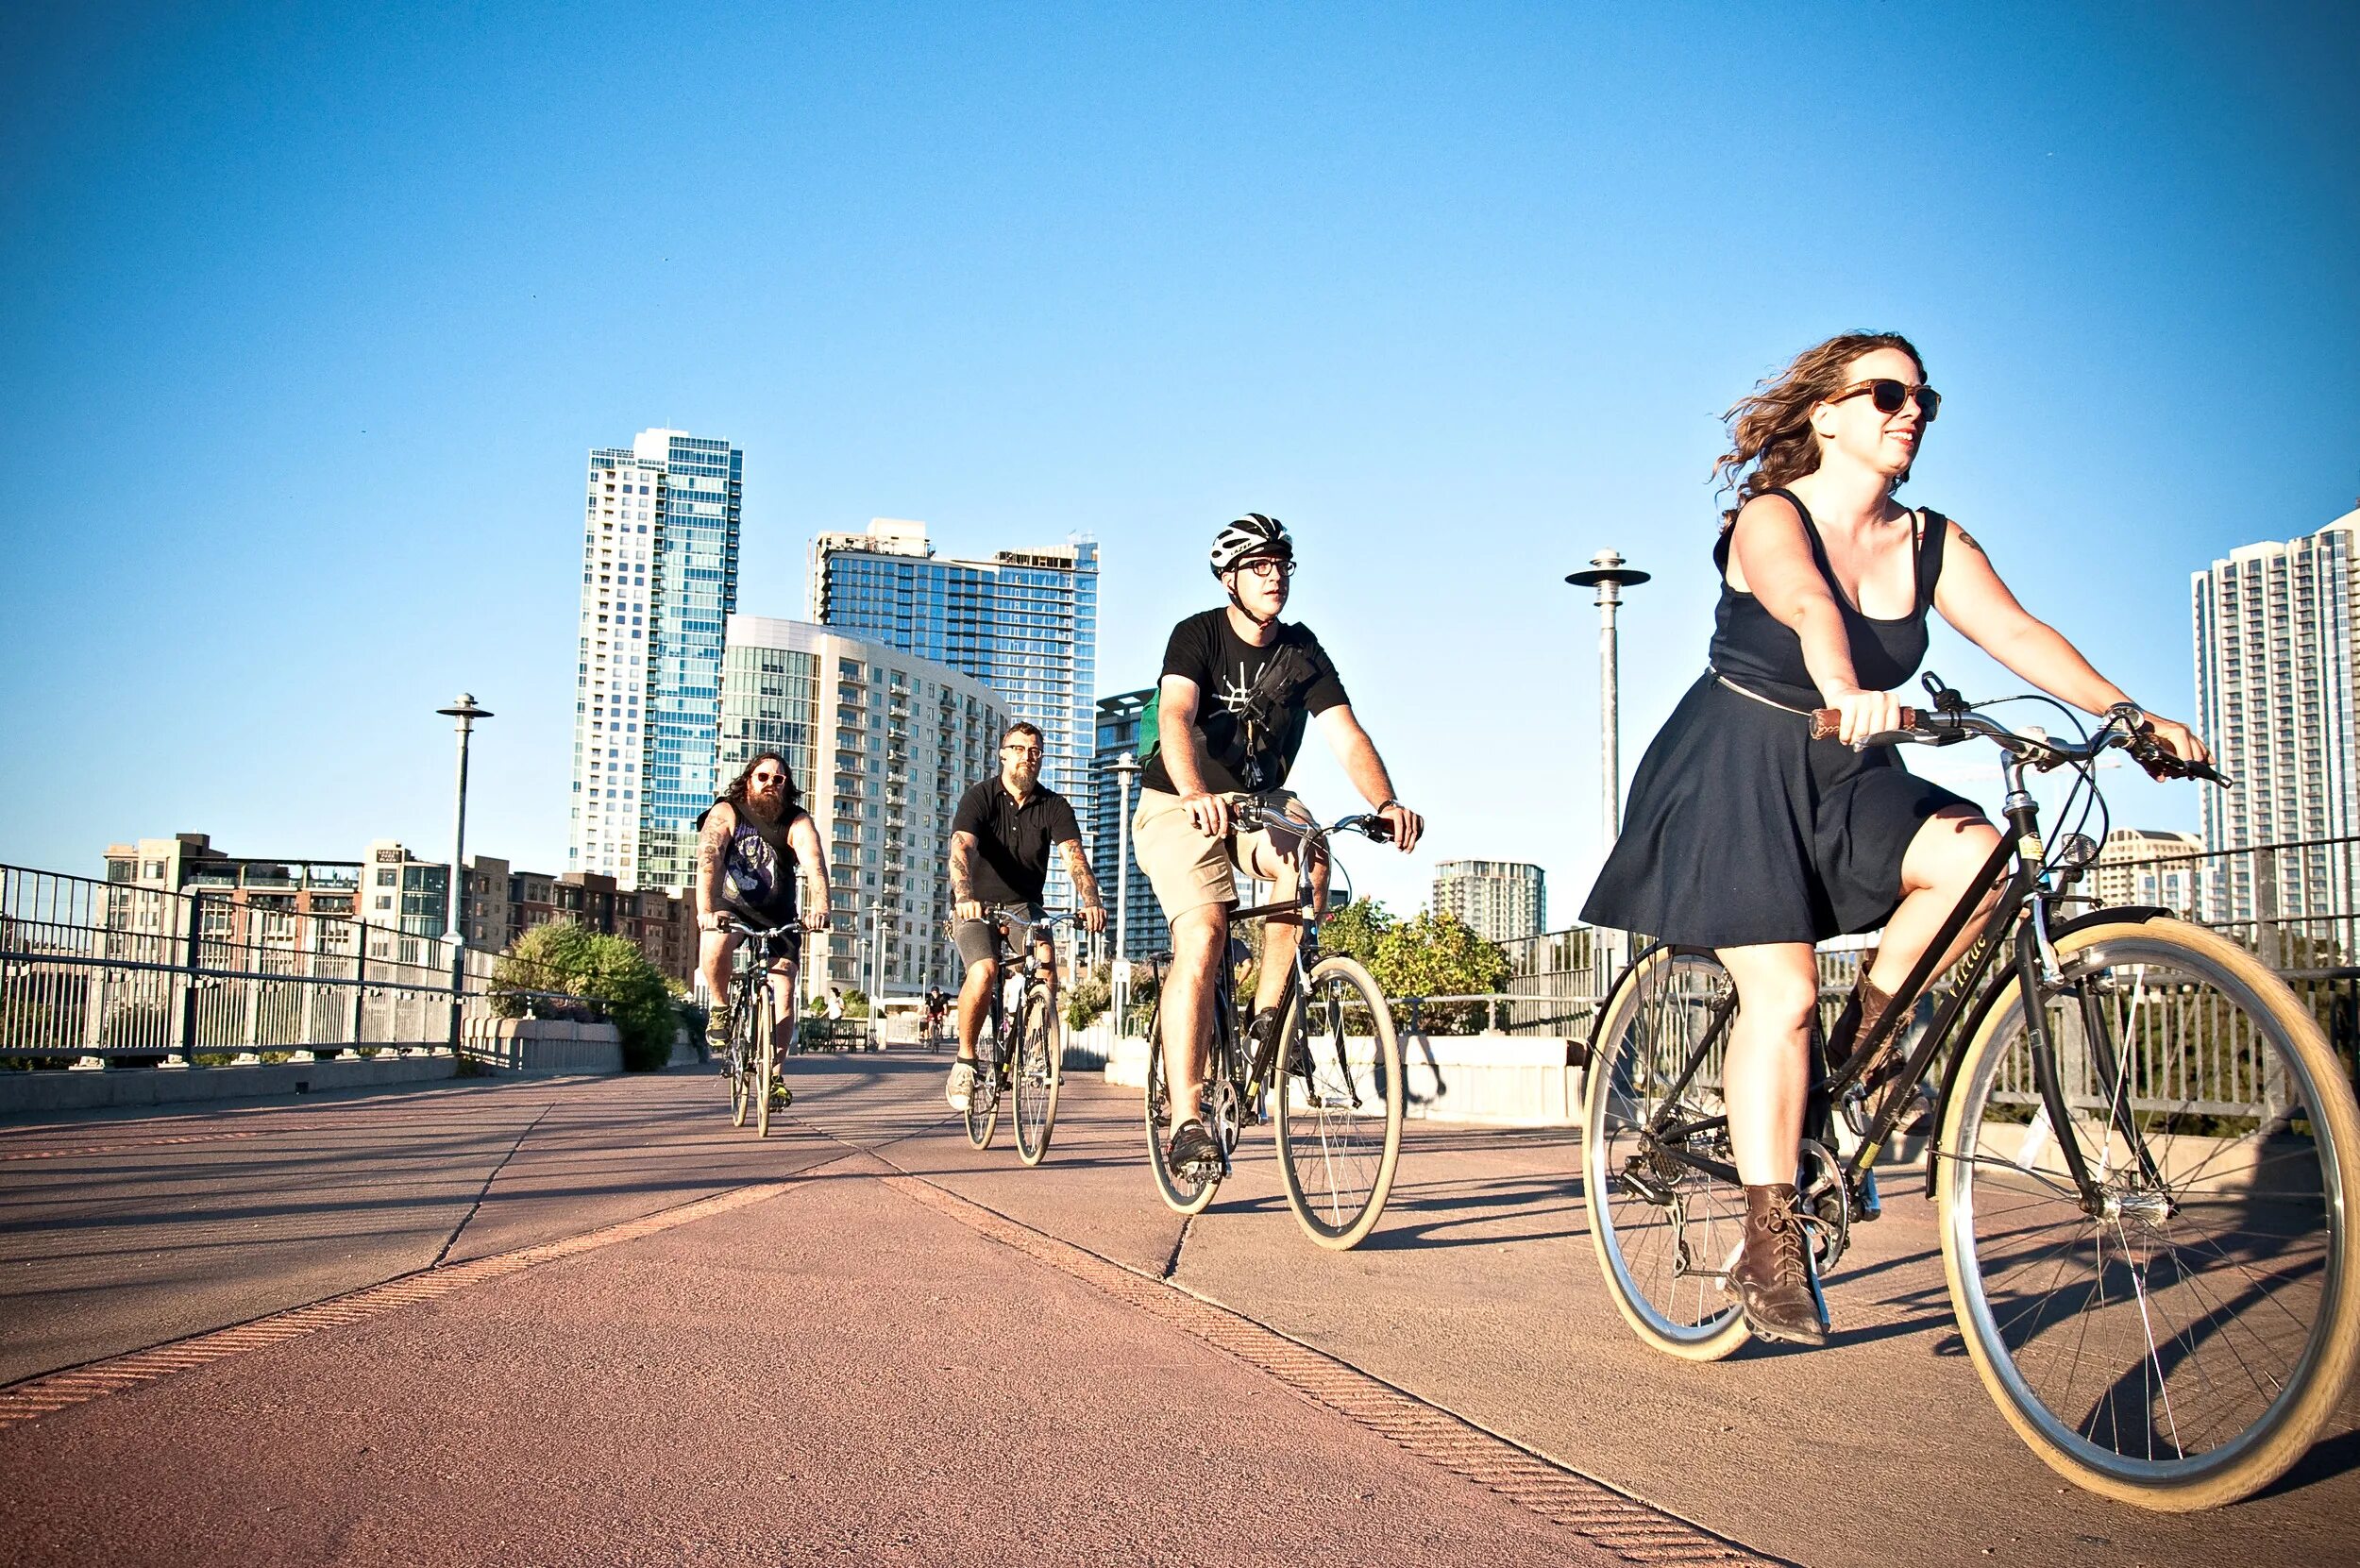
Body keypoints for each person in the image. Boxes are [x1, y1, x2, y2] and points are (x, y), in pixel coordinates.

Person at [1580, 331, 2210, 1345]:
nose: (1908, 410)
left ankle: (1859, 1054)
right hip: (1738, 764)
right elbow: (1804, 600)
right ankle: (1768, 1230)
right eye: (1884, 393)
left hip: (1849, 769)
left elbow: (2017, 633)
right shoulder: (1769, 517)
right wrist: (1844, 686)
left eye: (1923, 399)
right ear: (1826, 414)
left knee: (1983, 864)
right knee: (1779, 993)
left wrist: (2128, 714)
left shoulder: (1931, 541)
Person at [1136, 514, 1424, 1178]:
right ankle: (1186, 1118)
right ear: (1230, 577)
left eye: (1283, 566)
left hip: (1256, 803)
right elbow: (1176, 714)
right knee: (1205, 932)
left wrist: (1384, 802)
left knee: (1309, 849)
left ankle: (1269, 1021)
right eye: (1260, 567)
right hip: (1179, 801)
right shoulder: (1197, 635)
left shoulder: (1302, 649)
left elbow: (1346, 734)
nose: (1275, 577)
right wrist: (1194, 789)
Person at [944, 721, 1107, 1110]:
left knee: (1047, 963)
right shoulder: (980, 797)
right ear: (1003, 754)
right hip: (977, 904)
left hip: (1025, 906)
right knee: (983, 970)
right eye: (1018, 748)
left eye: (1034, 751)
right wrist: (965, 896)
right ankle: (965, 1061)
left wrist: (1091, 901)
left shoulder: (1054, 806)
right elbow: (960, 850)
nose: (1026, 757)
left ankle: (1035, 1049)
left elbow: (1075, 859)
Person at [696, 751, 831, 1101]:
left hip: (779, 917)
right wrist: (706, 909)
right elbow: (709, 857)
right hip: (733, 910)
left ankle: (774, 1076)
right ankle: (721, 1007)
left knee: (784, 993)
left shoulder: (796, 819)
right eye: (763, 777)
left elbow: (814, 862)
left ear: (787, 786)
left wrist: (821, 906)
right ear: (749, 779)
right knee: (714, 940)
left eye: (779, 779)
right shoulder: (728, 811)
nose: (770, 783)